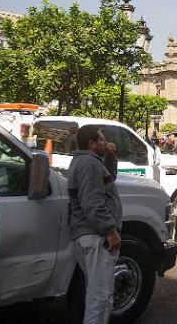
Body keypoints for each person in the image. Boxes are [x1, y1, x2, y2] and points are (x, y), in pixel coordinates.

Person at [67, 125, 123, 324]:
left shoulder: (88, 162)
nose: (105, 142)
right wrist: (109, 231)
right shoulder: (88, 164)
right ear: (91, 143)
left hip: (89, 236)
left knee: (97, 293)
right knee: (100, 298)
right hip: (95, 237)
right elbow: (92, 203)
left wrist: (111, 156)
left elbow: (109, 179)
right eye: (101, 139)